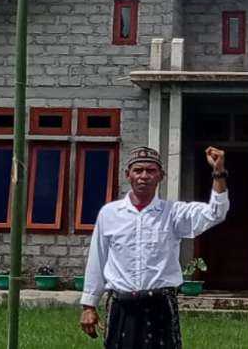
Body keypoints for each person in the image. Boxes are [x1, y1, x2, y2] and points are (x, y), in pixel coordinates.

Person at [79, 145, 230, 348]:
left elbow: (215, 213)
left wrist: (218, 173)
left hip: (160, 306)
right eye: (138, 170)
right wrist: (89, 305)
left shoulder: (174, 213)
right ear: (128, 175)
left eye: (151, 171)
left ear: (161, 176)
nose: (144, 176)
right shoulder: (109, 213)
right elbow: (98, 260)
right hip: (122, 307)